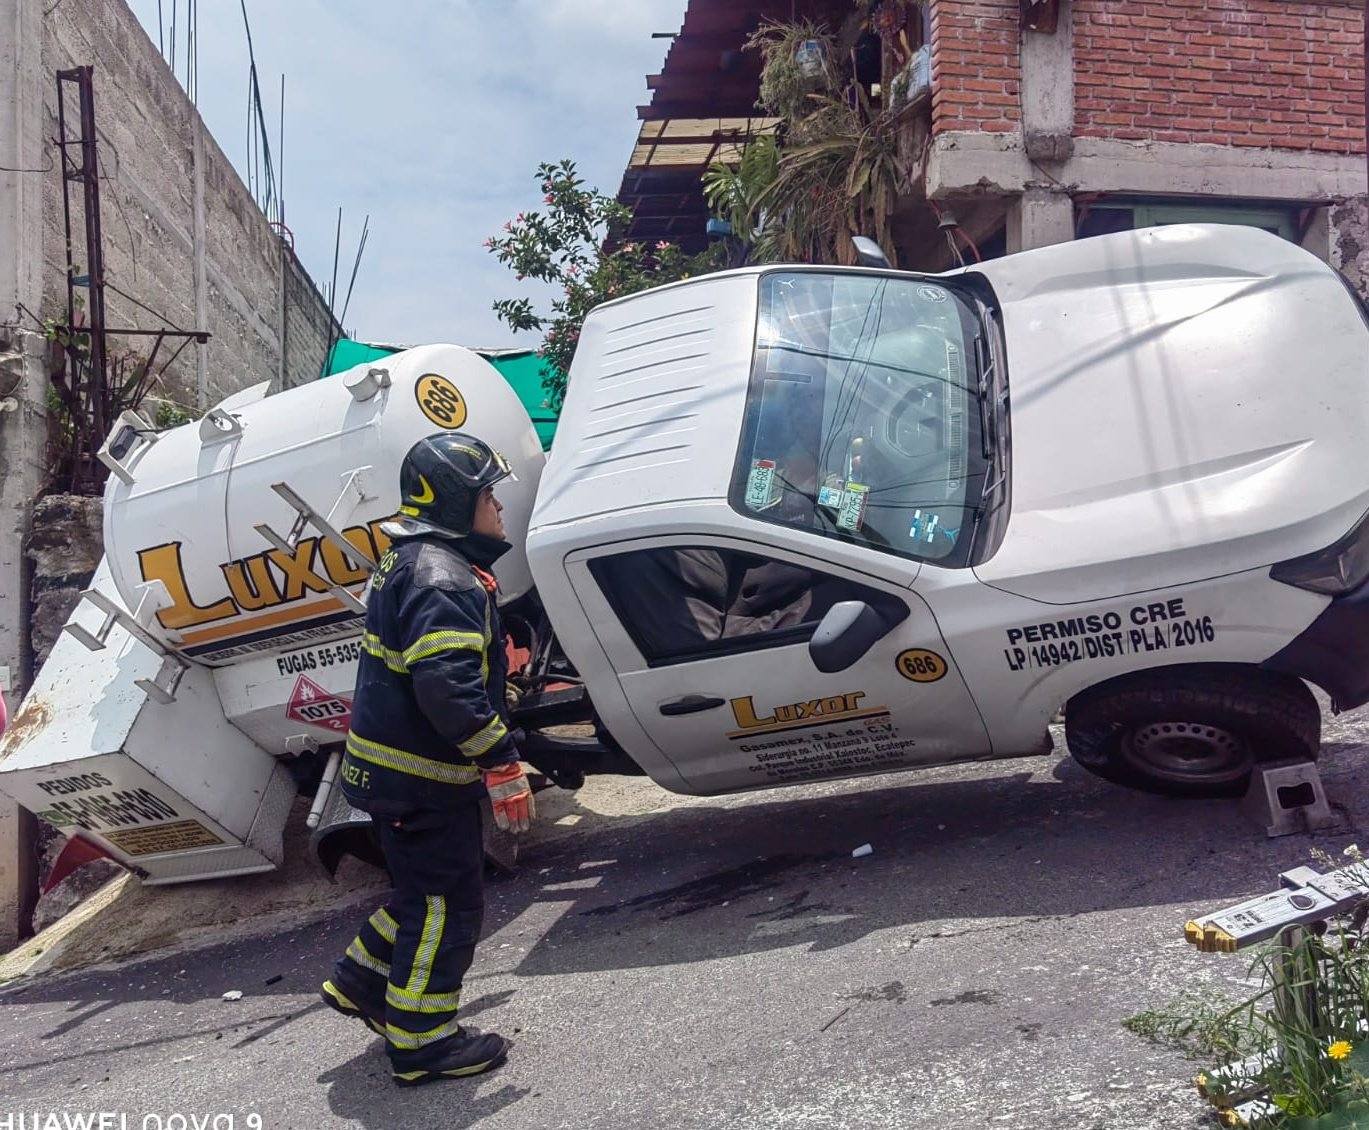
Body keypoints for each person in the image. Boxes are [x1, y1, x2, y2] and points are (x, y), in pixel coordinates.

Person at [320, 431, 535, 1087]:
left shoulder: (415, 561)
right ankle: (422, 1041)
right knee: (448, 907)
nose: (498, 508)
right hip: (420, 782)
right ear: (453, 502)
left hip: (395, 776)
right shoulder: (442, 577)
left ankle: (362, 980)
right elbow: (445, 687)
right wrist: (501, 761)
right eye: (486, 495)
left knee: (424, 895)